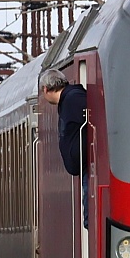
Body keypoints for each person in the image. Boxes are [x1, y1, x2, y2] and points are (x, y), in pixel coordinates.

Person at [41, 67, 89, 226]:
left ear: (46, 89)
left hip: (90, 167)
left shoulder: (73, 99)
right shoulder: (70, 99)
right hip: (85, 166)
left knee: (90, 219)